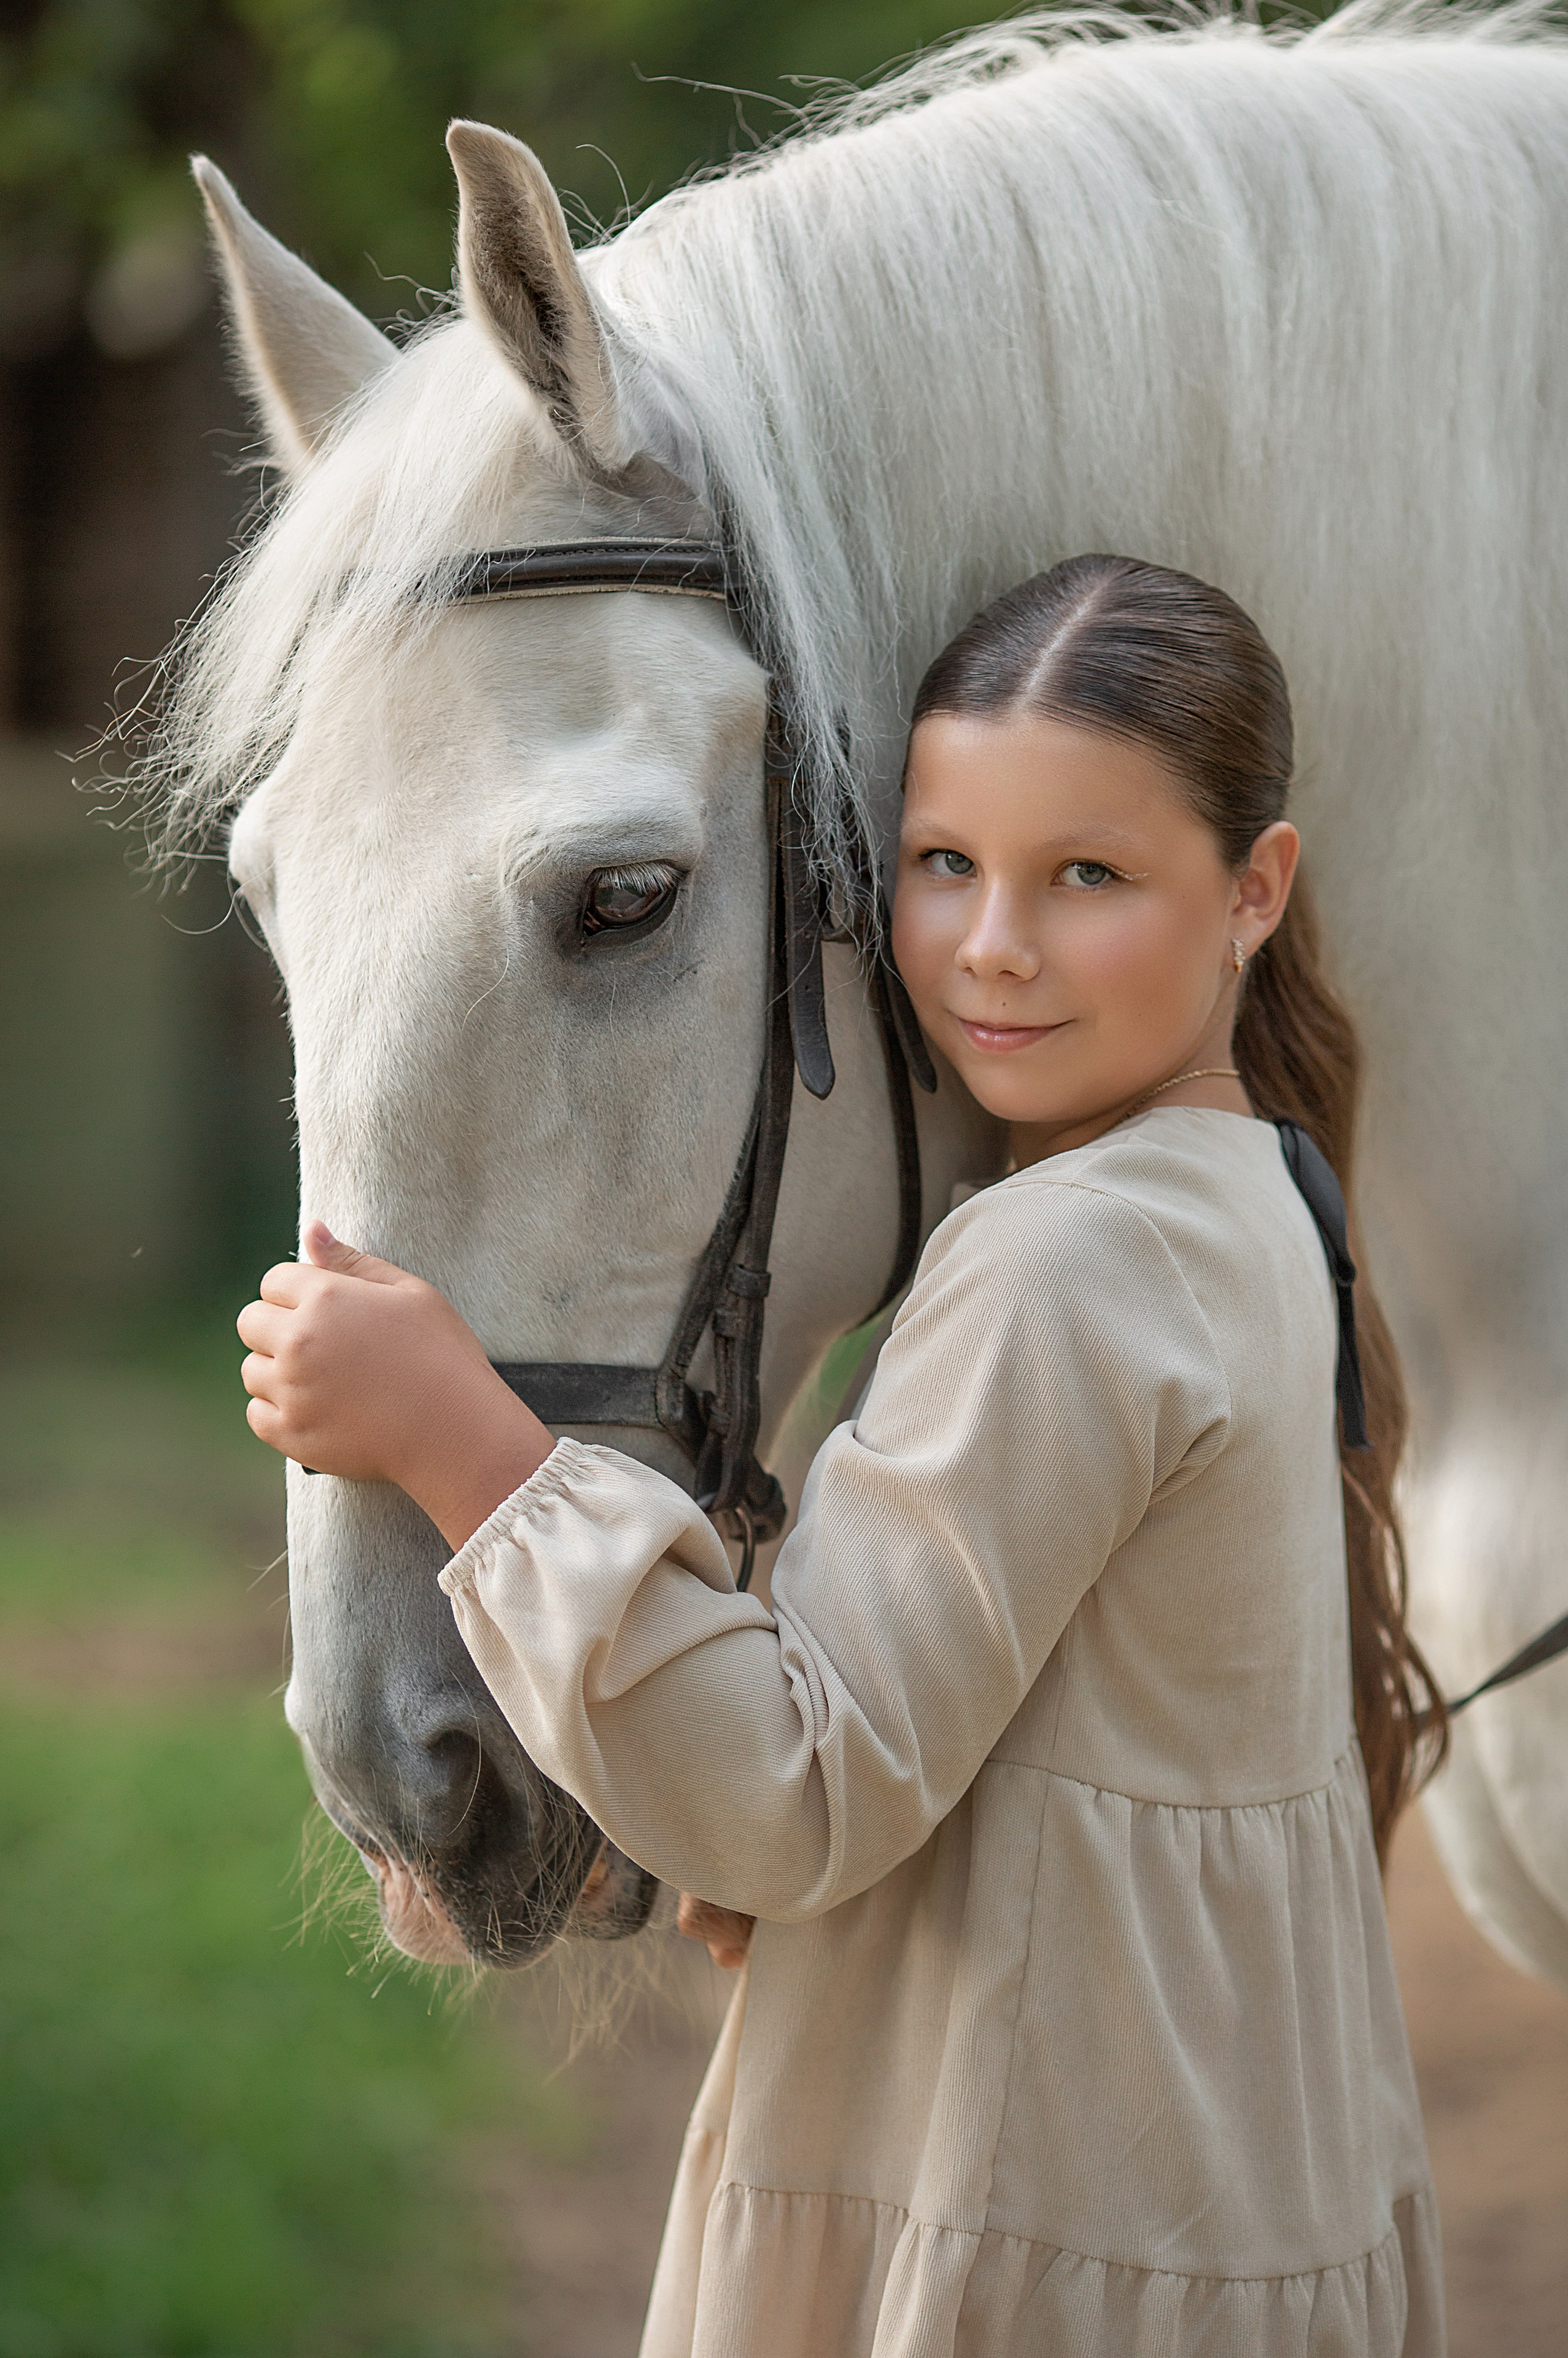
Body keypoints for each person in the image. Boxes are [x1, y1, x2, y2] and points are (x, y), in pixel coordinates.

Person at [238, 555, 1448, 2357]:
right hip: (1206, 2185)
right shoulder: (1261, 1193)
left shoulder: (1061, 1261)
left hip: (1023, 2231)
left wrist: (462, 1441)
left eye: (1087, 876)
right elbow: (1027, 1697)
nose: (993, 945)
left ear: (1252, 888)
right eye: (946, 861)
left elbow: (797, 1791)